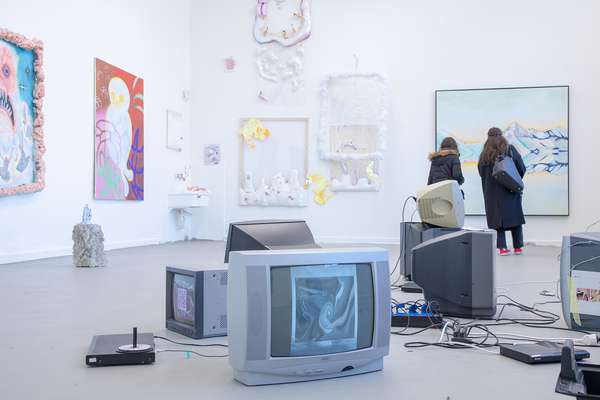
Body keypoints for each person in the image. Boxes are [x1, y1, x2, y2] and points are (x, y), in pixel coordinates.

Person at [478, 127, 527, 255]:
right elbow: (522, 168)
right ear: (502, 136)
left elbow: (481, 173)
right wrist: (513, 180)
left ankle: (502, 248)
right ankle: (517, 247)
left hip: (492, 193)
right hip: (510, 190)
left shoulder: (484, 155)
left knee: (497, 220)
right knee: (514, 218)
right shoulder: (510, 150)